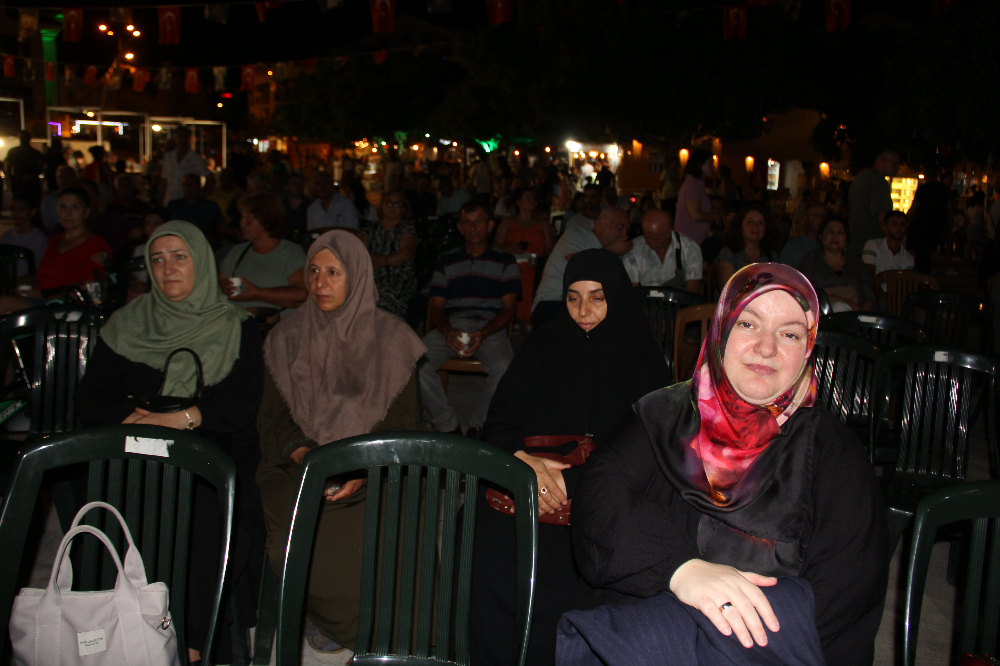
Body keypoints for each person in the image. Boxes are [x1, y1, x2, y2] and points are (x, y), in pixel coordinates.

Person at [568, 264, 889, 666]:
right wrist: (682, 571)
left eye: (789, 334)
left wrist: (718, 643)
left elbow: (849, 584)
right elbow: (601, 493)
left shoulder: (832, 449)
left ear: (808, 348)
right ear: (720, 331)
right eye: (749, 325)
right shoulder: (666, 412)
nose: (767, 348)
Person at [468, 249, 670, 666]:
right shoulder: (545, 342)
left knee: (569, 571)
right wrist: (523, 462)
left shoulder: (643, 358)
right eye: (573, 297)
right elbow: (500, 418)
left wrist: (570, 484)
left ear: (616, 295)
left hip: (601, 485)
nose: (583, 310)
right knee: (478, 540)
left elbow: (644, 445)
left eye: (597, 296)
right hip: (527, 477)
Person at [76, 221, 265, 665]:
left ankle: (191, 642)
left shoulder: (235, 325)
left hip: (207, 447)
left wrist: (175, 420)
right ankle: (117, 626)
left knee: (198, 511)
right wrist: (136, 423)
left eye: (180, 257)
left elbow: (239, 404)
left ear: (200, 262)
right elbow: (90, 399)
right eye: (157, 260)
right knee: (115, 502)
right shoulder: (126, 324)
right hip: (131, 442)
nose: (168, 269)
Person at [256, 230, 426, 655]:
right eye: (313, 271)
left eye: (334, 272)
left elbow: (403, 421)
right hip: (300, 467)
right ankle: (331, 620)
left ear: (358, 276)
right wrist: (304, 452)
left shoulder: (392, 339)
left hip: (376, 467)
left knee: (387, 546)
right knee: (296, 549)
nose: (320, 283)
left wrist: (358, 466)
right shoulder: (285, 338)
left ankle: (373, 633)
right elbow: (272, 419)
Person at [420, 200, 521, 439]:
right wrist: (446, 332)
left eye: (479, 221)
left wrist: (484, 333)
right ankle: (447, 425)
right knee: (414, 363)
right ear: (459, 227)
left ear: (490, 225)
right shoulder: (446, 261)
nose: (473, 227)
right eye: (467, 222)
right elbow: (435, 306)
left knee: (505, 367)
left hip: (490, 327)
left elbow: (509, 310)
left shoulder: (505, 261)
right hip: (452, 325)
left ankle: (479, 426)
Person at [532, 207, 632, 328]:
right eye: (620, 227)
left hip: (588, 307)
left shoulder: (615, 252)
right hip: (555, 302)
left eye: (627, 230)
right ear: (604, 222)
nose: (624, 234)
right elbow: (577, 267)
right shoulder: (576, 234)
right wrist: (611, 251)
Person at [217, 192, 308, 318]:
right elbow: (218, 283)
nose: (241, 222)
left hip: (274, 330)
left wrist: (257, 293)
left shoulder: (290, 253)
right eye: (242, 217)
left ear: (266, 220)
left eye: (248, 218)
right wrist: (222, 286)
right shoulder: (237, 252)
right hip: (237, 327)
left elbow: (302, 294)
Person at [494, 188, 555, 323]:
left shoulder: (542, 224)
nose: (532, 201)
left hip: (535, 265)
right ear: (518, 202)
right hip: (512, 263)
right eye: (528, 198)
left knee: (529, 276)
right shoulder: (508, 222)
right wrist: (510, 249)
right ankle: (514, 317)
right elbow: (496, 245)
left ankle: (526, 319)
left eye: (533, 198)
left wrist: (537, 259)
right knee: (516, 275)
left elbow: (550, 248)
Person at [798, 216, 875, 312]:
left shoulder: (857, 263)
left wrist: (857, 311)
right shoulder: (810, 261)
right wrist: (841, 301)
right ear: (821, 236)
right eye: (830, 231)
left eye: (840, 232)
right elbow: (805, 294)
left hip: (854, 315)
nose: (835, 236)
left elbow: (869, 298)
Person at [361, 190, 418, 318]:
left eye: (397, 204)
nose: (392, 207)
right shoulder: (370, 229)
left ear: (403, 209)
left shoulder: (406, 228)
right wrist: (375, 262)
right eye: (389, 203)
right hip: (371, 275)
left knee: (383, 296)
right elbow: (359, 253)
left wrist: (379, 261)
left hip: (398, 277)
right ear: (382, 206)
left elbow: (405, 255)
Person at [622, 208, 702, 293]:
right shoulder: (633, 249)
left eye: (656, 239)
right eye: (646, 237)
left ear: (670, 232)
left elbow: (693, 292)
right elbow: (631, 292)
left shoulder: (690, 248)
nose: (650, 243)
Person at [848, 149, 899, 256]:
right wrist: (891, 241)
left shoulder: (861, 178)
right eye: (894, 163)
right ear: (882, 161)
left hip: (856, 239)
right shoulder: (879, 182)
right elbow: (882, 216)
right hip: (873, 242)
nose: (897, 167)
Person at [715, 202, 778, 287]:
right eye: (750, 222)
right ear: (740, 226)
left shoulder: (771, 255)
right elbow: (727, 291)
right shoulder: (728, 253)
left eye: (761, 223)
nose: (755, 226)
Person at [906, 167, 952, 274]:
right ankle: (926, 274)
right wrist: (949, 227)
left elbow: (914, 208)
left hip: (922, 226)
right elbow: (949, 210)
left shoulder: (923, 189)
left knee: (921, 254)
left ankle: (922, 276)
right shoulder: (944, 190)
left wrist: (906, 221)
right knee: (928, 252)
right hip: (937, 226)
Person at [161, 126, 216, 205]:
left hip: (188, 203)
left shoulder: (195, 158)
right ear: (174, 138)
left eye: (184, 136)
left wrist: (202, 197)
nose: (182, 139)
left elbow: (210, 179)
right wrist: (161, 200)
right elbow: (164, 180)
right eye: (179, 136)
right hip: (170, 200)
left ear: (188, 138)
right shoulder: (169, 157)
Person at [675, 149, 718, 245]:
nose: (713, 167)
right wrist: (715, 217)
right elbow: (695, 215)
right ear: (700, 165)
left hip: (693, 240)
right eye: (710, 164)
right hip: (690, 241)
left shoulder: (698, 185)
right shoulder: (693, 185)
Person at [862, 209, 914, 290]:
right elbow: (868, 275)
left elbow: (905, 285)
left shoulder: (909, 259)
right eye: (894, 224)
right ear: (886, 226)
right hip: (872, 295)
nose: (899, 228)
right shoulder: (873, 245)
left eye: (903, 224)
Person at [167, 173, 225, 242]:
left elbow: (221, 227)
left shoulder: (210, 206)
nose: (188, 188)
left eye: (191, 184)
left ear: (199, 186)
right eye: (185, 185)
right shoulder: (174, 205)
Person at [1, 195, 48, 277]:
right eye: (13, 209)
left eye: (21, 209)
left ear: (32, 212)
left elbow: (40, 270)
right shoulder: (7, 236)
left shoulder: (38, 238)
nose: (16, 213)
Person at [779, 203, 826, 269]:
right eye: (816, 215)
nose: (821, 219)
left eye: (823, 216)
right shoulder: (792, 247)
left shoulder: (829, 246)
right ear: (806, 219)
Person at [4, 131, 43, 204]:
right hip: (18, 181)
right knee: (19, 201)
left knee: (32, 202)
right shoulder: (13, 152)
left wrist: (32, 176)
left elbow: (40, 167)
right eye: (22, 138)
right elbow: (8, 166)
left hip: (32, 182)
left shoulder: (35, 153)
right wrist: (9, 179)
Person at [40, 165, 78, 231]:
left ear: (74, 178)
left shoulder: (81, 198)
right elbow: (46, 226)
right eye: (61, 177)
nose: (64, 180)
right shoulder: (48, 200)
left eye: (67, 176)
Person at [283, 172, 310, 236]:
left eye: (300, 183)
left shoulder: (311, 206)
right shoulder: (281, 207)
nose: (298, 185)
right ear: (286, 187)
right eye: (295, 183)